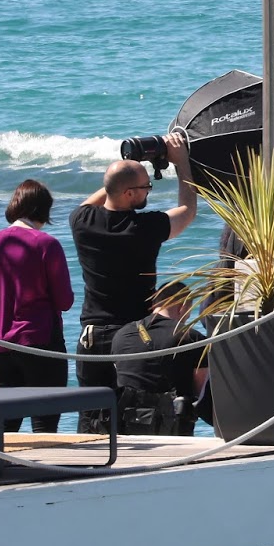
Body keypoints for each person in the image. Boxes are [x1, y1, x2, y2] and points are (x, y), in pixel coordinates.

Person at [69, 133, 197, 432]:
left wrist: (129, 167)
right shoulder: (144, 228)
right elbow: (188, 211)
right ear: (128, 194)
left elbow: (102, 195)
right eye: (145, 187)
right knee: (134, 417)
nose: (149, 192)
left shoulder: (81, 221)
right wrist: (182, 164)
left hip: (91, 335)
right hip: (131, 337)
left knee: (90, 419)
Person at [0, 180, 75, 433]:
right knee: (44, 422)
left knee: (6, 424)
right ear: (45, 210)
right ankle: (43, 471)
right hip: (40, 343)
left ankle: (0, 468)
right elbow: (65, 301)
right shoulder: (46, 244)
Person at [110, 281, 208, 436]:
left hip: (126, 426)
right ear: (182, 307)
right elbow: (201, 390)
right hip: (173, 429)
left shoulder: (122, 335)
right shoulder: (190, 336)